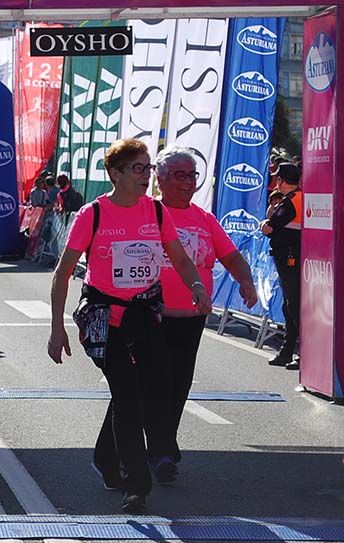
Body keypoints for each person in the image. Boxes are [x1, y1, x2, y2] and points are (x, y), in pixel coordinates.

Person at [47, 138, 209, 513]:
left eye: (148, 168)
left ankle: (106, 459)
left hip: (145, 313)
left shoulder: (156, 210)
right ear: (115, 173)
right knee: (125, 394)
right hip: (105, 316)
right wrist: (57, 328)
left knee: (149, 390)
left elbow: (180, 258)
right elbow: (63, 272)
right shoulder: (93, 214)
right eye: (138, 168)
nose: (145, 175)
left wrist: (196, 286)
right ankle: (136, 485)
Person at [93, 146, 258, 486]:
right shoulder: (147, 212)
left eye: (192, 175)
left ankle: (161, 451)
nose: (187, 183)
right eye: (179, 175)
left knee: (176, 387)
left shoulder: (204, 219)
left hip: (190, 318)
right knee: (137, 389)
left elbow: (231, 257)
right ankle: (114, 456)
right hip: (148, 315)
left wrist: (246, 280)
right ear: (161, 178)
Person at [261, 162, 303, 370]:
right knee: (290, 305)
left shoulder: (290, 201)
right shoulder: (298, 198)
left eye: (278, 178)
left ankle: (301, 353)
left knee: (293, 305)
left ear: (282, 180)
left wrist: (264, 224)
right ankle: (288, 352)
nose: (276, 181)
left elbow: (270, 226)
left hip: (289, 258)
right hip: (293, 256)